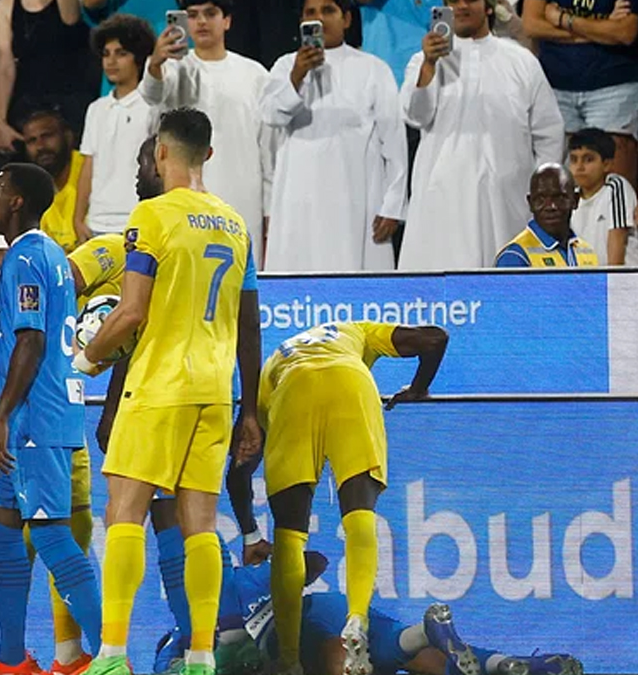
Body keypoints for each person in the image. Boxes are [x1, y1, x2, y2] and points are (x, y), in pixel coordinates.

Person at [74, 107, 262, 675]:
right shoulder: (236, 224)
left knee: (124, 514)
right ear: (209, 154)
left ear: (160, 152)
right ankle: (202, 657)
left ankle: (111, 656)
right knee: (199, 523)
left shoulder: (152, 215)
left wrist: (88, 357)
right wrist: (249, 409)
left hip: (159, 385)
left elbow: (131, 311)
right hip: (215, 391)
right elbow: (248, 322)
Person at [259, 321, 448, 675]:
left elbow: (252, 439)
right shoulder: (356, 330)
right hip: (351, 382)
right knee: (360, 514)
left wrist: (249, 528)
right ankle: (357, 619)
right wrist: (418, 389)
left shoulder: (274, 360)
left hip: (291, 389)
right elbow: (435, 339)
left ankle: (288, 659)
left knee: (289, 533)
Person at [0, 162, 103, 675]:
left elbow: (31, 341)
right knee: (1, 531)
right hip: (33, 418)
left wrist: (2, 417)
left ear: (18, 202)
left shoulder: (29, 256)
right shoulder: (35, 254)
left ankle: (109, 657)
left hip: (35, 420)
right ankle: (11, 659)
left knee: (50, 536)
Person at [153, 555, 584, 675]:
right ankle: (510, 664)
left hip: (311, 628)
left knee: (339, 661)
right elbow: (315, 561)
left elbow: (313, 561)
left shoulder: (184, 635)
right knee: (422, 657)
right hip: (337, 608)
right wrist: (282, 569)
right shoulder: (245, 578)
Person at [398, 0, 564, 270]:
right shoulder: (422, 61)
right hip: (442, 200)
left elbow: (549, 133)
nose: (462, 6)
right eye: (454, 1)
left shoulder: (521, 61)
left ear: (488, 7)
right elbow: (415, 116)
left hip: (507, 201)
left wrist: (539, 192)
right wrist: (429, 65)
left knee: (506, 282)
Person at [261, 0, 407, 272]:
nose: (319, 18)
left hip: (357, 200)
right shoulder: (285, 66)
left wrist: (393, 206)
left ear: (347, 19)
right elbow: (271, 116)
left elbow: (394, 142)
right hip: (299, 198)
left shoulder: (373, 68)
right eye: (310, 12)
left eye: (328, 10)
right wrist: (297, 76)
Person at [139, 0, 274, 266]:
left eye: (210, 14)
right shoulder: (171, 68)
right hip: (184, 198)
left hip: (243, 197)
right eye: (193, 15)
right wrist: (154, 64)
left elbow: (268, 148)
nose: (201, 21)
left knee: (241, 278)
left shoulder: (255, 74)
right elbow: (152, 96)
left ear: (227, 21)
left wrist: (270, 211)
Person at [522, 0, 638, 189]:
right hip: (556, 88)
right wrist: (601, 30)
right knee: (560, 188)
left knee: (613, 188)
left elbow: (625, 32)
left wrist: (563, 19)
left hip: (614, 88)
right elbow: (532, 25)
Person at [73, 13, 157, 240]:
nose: (111, 61)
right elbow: (88, 165)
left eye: (121, 53)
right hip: (96, 223)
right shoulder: (96, 109)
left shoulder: (153, 106)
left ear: (139, 59)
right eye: (106, 54)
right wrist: (78, 217)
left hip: (138, 220)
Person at [0, 0, 97, 154]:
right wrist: (0, 121)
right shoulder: (6, 6)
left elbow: (70, 19)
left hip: (72, 102)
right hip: (30, 106)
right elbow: (5, 66)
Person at [496, 163, 599, 268]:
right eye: (540, 199)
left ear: (575, 200)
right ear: (530, 203)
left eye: (559, 198)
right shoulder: (515, 256)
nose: (551, 206)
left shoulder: (587, 252)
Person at [567, 127, 638, 265]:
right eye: (574, 160)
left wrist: (612, 277)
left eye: (588, 159)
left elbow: (618, 239)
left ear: (606, 164)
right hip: (590, 275)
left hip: (623, 275)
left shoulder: (615, 187)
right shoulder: (571, 198)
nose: (579, 167)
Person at [23, 109, 86, 253]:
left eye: (47, 136)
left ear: (68, 137)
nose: (40, 146)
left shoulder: (88, 170)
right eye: (32, 141)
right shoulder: (35, 186)